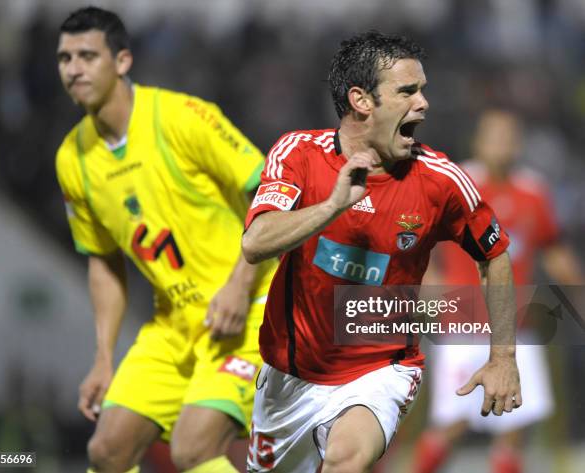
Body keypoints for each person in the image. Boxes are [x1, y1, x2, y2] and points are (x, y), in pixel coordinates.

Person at [241, 31, 522, 473]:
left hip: (381, 368)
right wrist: (332, 205)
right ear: (361, 101)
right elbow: (256, 243)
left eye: (423, 89)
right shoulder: (298, 153)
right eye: (407, 91)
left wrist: (502, 356)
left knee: (346, 460)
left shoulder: (441, 179)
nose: (424, 103)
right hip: (289, 377)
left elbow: (495, 254)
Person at [55, 7, 277, 473]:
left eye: (87, 56)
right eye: (65, 58)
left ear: (122, 62)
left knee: (193, 449)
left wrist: (239, 284)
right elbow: (103, 261)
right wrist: (102, 357)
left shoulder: (183, 117)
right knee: (106, 453)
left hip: (249, 313)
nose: (74, 68)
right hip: (173, 327)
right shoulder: (72, 160)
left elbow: (273, 194)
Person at [414, 109, 584, 473]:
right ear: (478, 141)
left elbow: (552, 248)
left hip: (517, 327)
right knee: (453, 423)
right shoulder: (457, 184)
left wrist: (578, 291)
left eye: (509, 136)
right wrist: (427, 280)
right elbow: (419, 239)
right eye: (494, 136)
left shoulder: (533, 191)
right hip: (464, 324)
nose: (502, 144)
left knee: (514, 426)